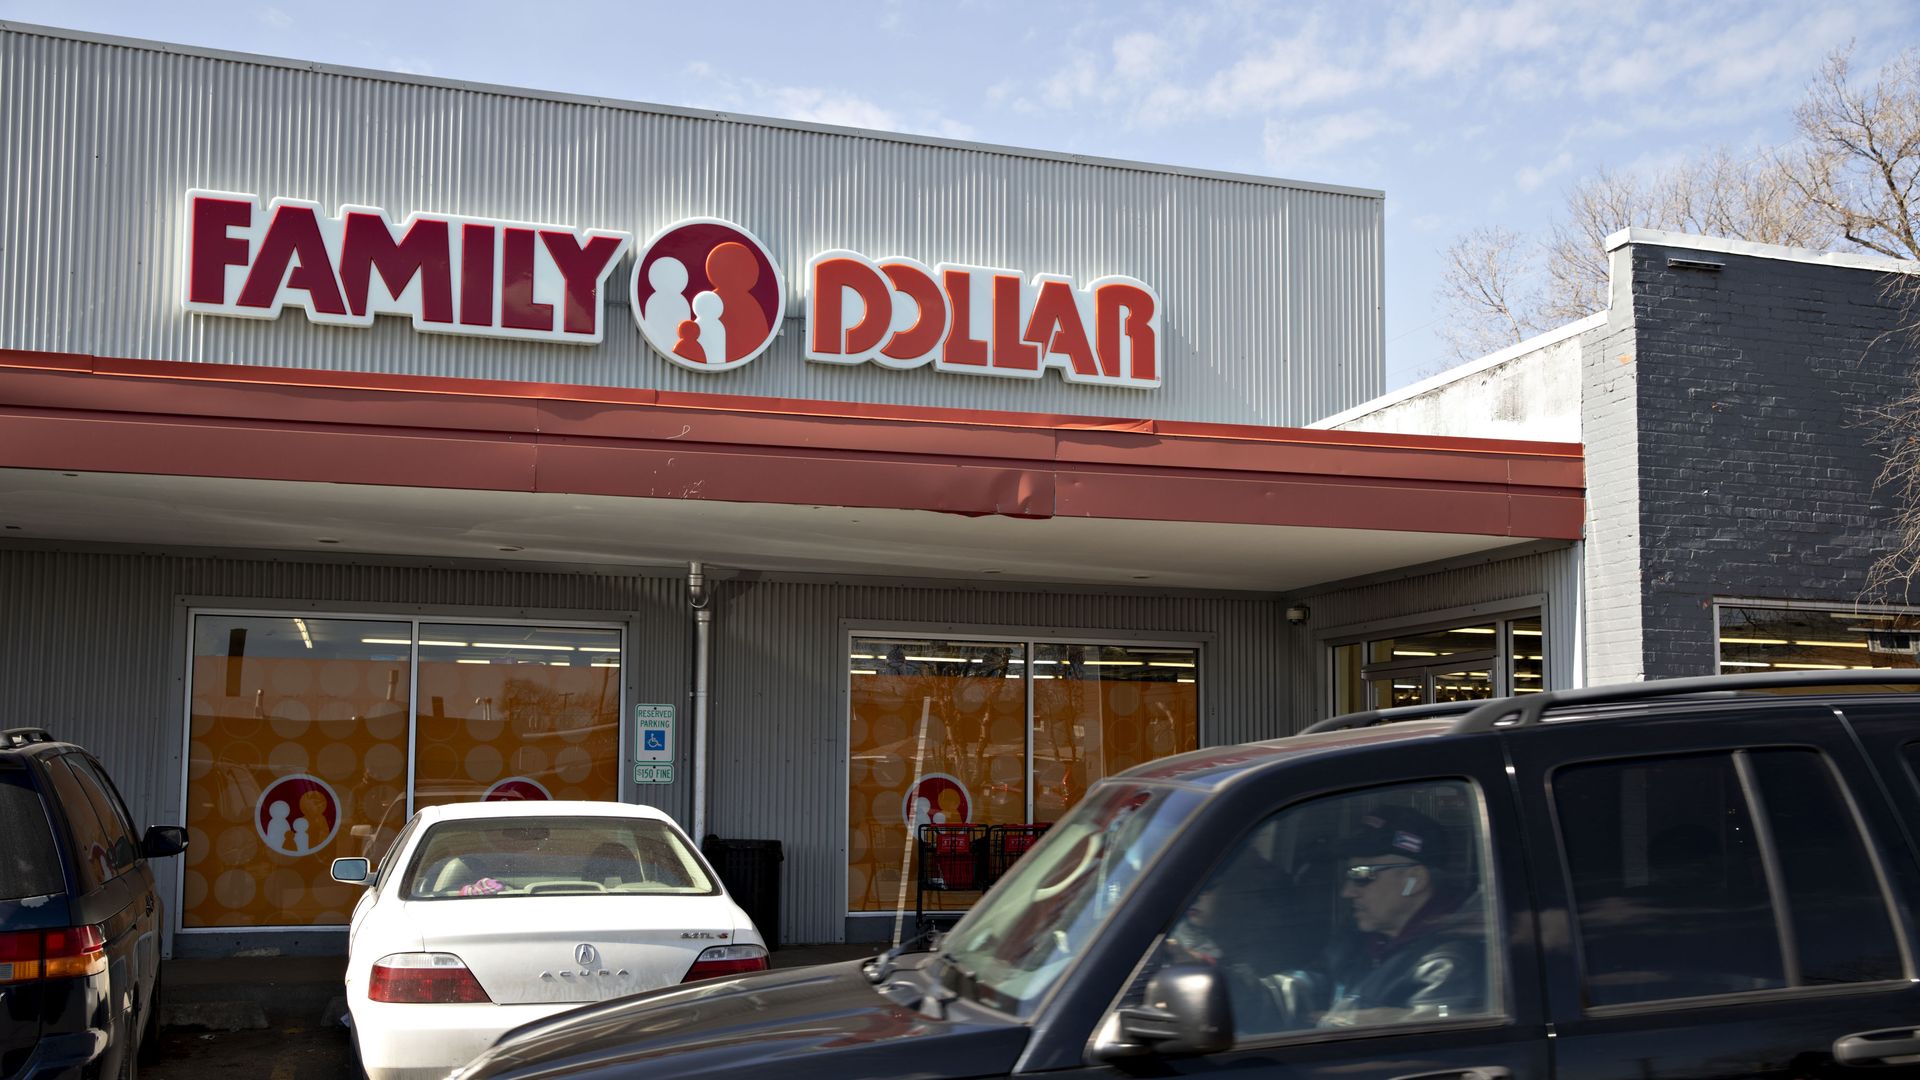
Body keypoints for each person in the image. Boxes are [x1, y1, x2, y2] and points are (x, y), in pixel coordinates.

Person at [1316, 805, 1485, 1028]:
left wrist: (1329, 1023)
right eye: (1347, 876)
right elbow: (1309, 986)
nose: (1346, 892)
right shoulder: (1360, 939)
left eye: (1362, 875)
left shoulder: (1448, 966)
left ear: (1414, 880)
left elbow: (1417, 1054)